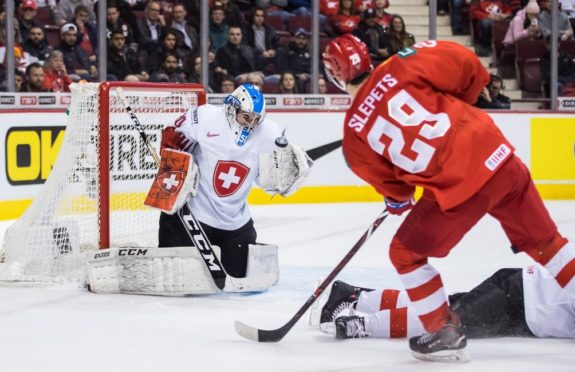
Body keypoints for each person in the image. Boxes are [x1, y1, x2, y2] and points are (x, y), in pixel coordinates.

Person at [321, 35, 575, 362]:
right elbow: (466, 64)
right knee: (548, 243)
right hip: (499, 157)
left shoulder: (354, 138)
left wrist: (396, 199)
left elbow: (400, 195)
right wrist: (466, 101)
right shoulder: (402, 64)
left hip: (460, 187)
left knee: (405, 253)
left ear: (334, 76)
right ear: (367, 57)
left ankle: (444, 331)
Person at [157, 83, 313, 278]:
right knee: (178, 280)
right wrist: (174, 161)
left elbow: (268, 179)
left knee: (239, 282)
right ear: (231, 109)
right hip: (191, 217)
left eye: (256, 120)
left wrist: (288, 176)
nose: (250, 125)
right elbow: (173, 133)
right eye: (246, 117)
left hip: (235, 226)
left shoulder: (269, 132)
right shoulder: (206, 118)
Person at [318, 263, 575, 341]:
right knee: (445, 321)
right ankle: (361, 325)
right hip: (518, 296)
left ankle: (355, 296)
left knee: (441, 308)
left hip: (523, 307)